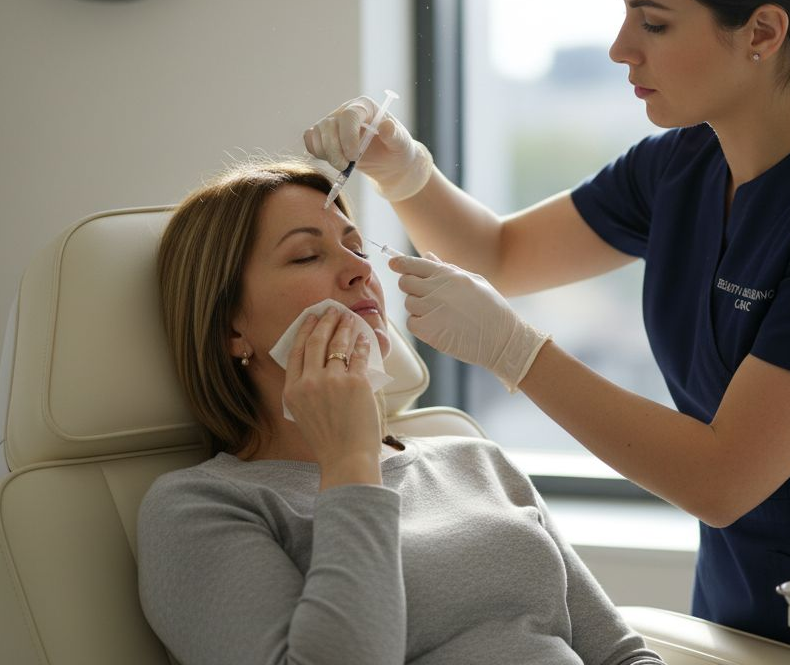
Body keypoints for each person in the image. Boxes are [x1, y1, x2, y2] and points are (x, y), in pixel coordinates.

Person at [303, 0, 790, 662]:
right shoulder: (683, 164)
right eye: (626, 15)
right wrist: (403, 168)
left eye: (653, 23)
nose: (623, 48)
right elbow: (499, 254)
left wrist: (515, 353)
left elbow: (722, 478)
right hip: (737, 618)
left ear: (762, 31)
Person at [136, 160, 664, 665]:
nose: (360, 269)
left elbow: (622, 655)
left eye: (356, 246)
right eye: (306, 256)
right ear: (231, 328)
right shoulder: (201, 507)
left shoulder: (476, 461)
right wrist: (348, 462)